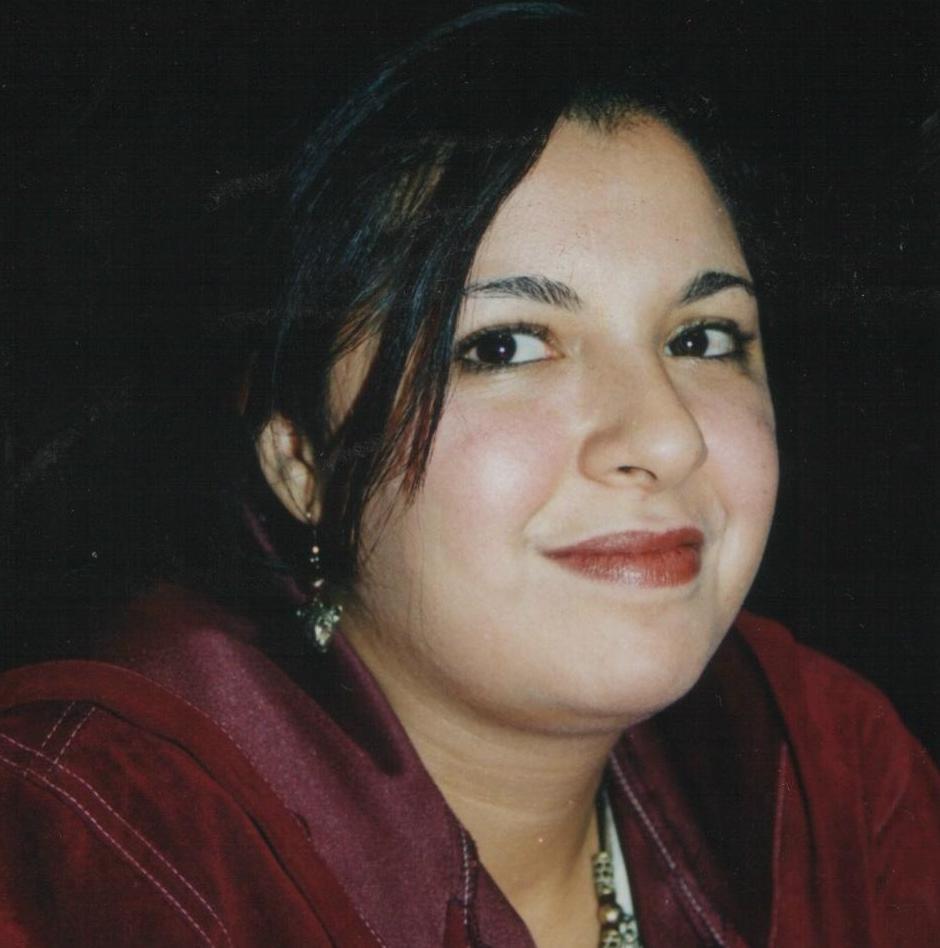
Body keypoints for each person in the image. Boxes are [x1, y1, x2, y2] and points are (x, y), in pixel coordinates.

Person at [0, 5, 937, 946]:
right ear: (300, 460)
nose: (667, 436)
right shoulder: (91, 853)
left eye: (701, 339)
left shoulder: (826, 779)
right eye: (507, 346)